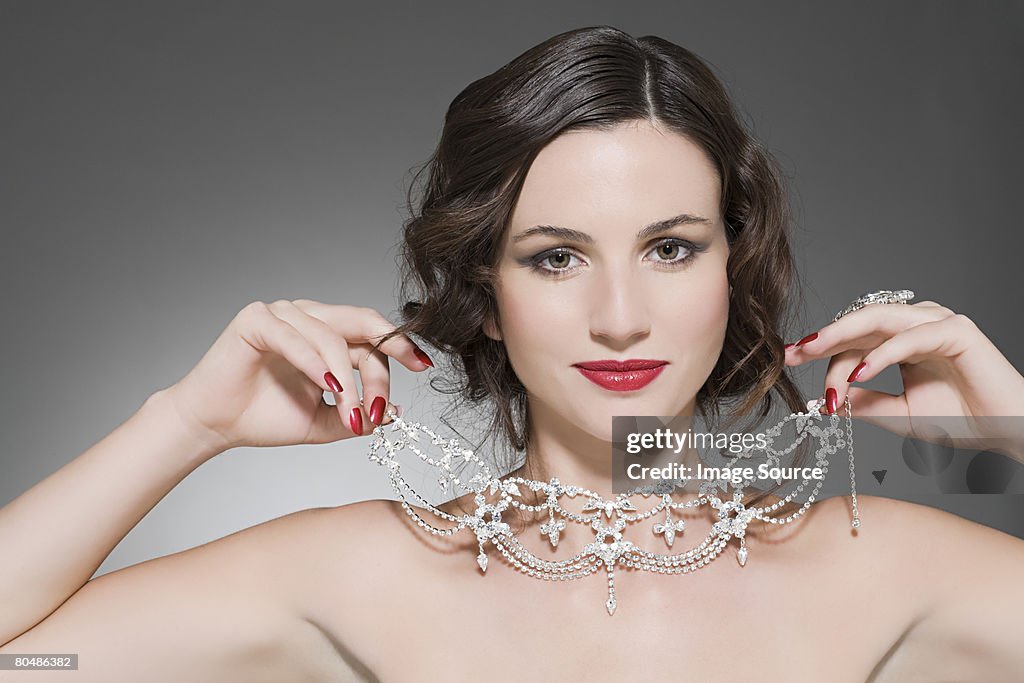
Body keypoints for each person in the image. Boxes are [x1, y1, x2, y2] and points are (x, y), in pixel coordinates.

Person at [1, 25, 1023, 682]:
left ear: (732, 269)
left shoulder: (880, 564)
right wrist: (184, 423)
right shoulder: (363, 573)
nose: (619, 315)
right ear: (483, 295)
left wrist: (1012, 433)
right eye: (555, 256)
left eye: (670, 248)